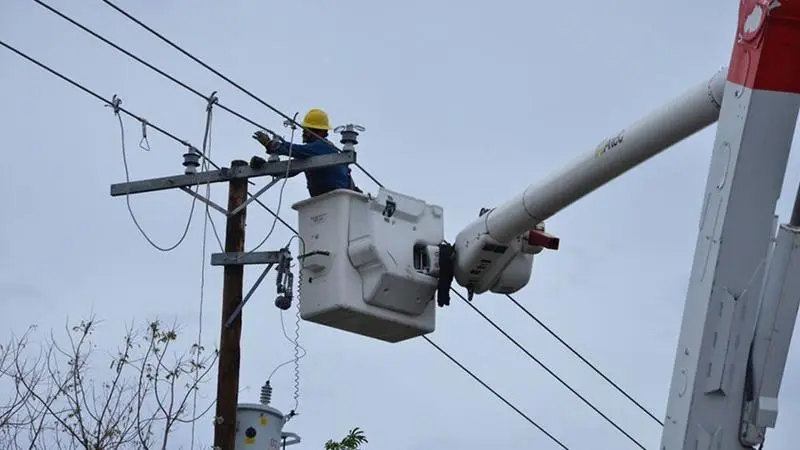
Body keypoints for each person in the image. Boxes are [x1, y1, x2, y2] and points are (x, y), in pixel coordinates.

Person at [250, 108, 361, 197]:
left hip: (339, 200)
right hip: (327, 201)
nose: (303, 132)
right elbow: (289, 171)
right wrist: (264, 167)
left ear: (319, 131)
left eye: (307, 129)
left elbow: (296, 150)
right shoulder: (311, 155)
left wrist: (271, 144)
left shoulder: (324, 147)